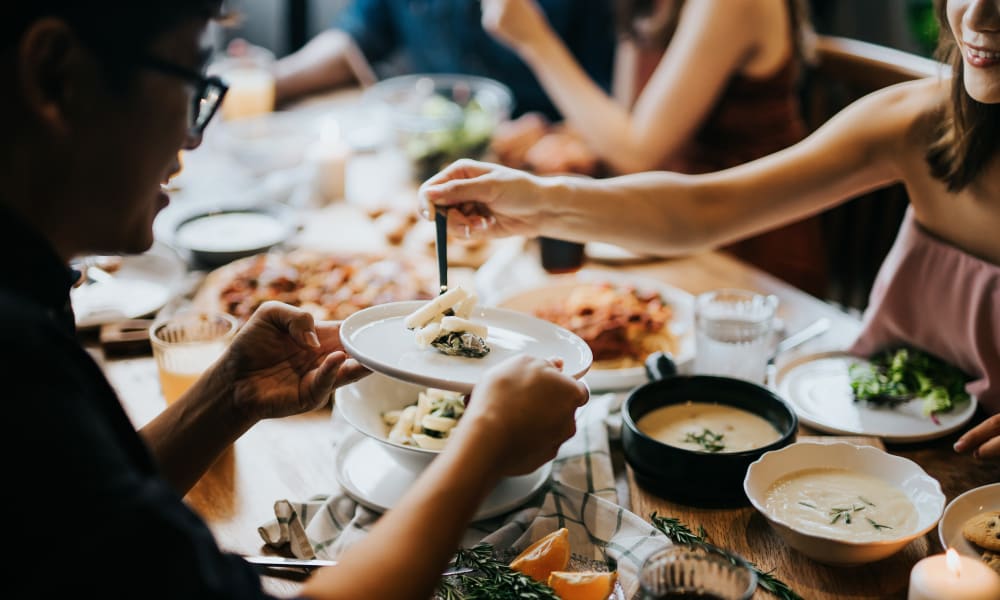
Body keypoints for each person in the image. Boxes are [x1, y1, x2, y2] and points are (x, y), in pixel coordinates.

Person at [2, 2, 588, 598]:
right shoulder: (17, 363)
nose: (193, 136)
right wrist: (482, 445)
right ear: (56, 76)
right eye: (191, 85)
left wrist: (227, 397)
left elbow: (92, 516)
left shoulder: (29, 300)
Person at [421, 0, 1000, 457]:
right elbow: (705, 210)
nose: (977, 16)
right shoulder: (923, 122)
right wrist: (540, 202)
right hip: (873, 433)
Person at [480, 0, 829, 296]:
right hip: (672, 222)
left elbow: (637, 154)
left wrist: (534, 40)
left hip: (743, 241)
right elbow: (631, 119)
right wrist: (561, 134)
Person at [272, 0, 616, 120]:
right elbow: (356, 36)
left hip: (546, 168)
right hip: (433, 150)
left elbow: (613, 106)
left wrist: (533, 37)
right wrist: (271, 80)